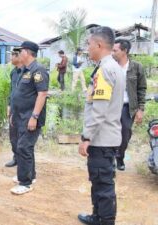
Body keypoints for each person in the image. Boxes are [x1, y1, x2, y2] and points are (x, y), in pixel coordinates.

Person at [78, 26, 125, 225]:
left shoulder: (105, 70)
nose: (87, 48)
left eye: (89, 44)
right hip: (106, 137)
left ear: (99, 44)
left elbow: (99, 110)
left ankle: (105, 220)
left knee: (103, 184)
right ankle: (97, 216)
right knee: (98, 181)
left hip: (101, 139)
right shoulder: (112, 66)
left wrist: (86, 137)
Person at [10, 41, 49, 195]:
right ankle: (30, 176)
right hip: (20, 115)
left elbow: (42, 94)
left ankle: (25, 183)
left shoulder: (38, 70)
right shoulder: (24, 70)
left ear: (27, 52)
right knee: (25, 147)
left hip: (30, 116)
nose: (19, 54)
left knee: (24, 147)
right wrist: (13, 112)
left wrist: (34, 116)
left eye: (21, 51)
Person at [112, 39, 147, 171]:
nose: (113, 53)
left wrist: (140, 109)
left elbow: (141, 89)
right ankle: (111, 158)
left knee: (125, 133)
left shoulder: (136, 67)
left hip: (128, 107)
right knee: (111, 132)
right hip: (112, 106)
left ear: (124, 51)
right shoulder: (111, 66)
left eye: (115, 50)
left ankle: (120, 156)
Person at [5, 49, 25, 167]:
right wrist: (9, 105)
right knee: (13, 136)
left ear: (18, 57)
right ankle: (16, 158)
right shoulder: (13, 72)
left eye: (12, 56)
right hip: (13, 108)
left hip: (24, 109)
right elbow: (11, 91)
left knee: (23, 137)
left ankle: (23, 160)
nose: (10, 59)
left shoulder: (27, 72)